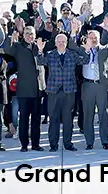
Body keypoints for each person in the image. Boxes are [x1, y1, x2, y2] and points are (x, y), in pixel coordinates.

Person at [35, 22, 89, 152]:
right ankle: (53, 144)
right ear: (55, 43)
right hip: (54, 91)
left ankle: (68, 143)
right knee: (53, 119)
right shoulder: (50, 54)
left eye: (63, 41)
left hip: (69, 91)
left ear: (66, 43)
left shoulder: (72, 54)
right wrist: (40, 50)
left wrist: (87, 50)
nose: (61, 43)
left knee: (68, 119)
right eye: (58, 41)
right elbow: (41, 62)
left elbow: (85, 61)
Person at [3, 25, 46, 151]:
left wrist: (40, 50)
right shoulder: (18, 46)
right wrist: (10, 37)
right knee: (24, 119)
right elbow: (7, 50)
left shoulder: (38, 46)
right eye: (27, 33)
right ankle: (24, 144)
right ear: (23, 35)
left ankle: (36, 144)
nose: (29, 36)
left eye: (32, 33)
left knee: (36, 119)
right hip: (24, 90)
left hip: (37, 89)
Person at [80, 29, 108, 150]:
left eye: (95, 37)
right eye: (91, 37)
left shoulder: (104, 49)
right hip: (88, 85)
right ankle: (89, 142)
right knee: (88, 115)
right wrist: (74, 32)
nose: (93, 40)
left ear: (99, 38)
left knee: (103, 115)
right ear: (87, 38)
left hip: (101, 86)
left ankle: (105, 141)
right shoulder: (83, 49)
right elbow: (71, 45)